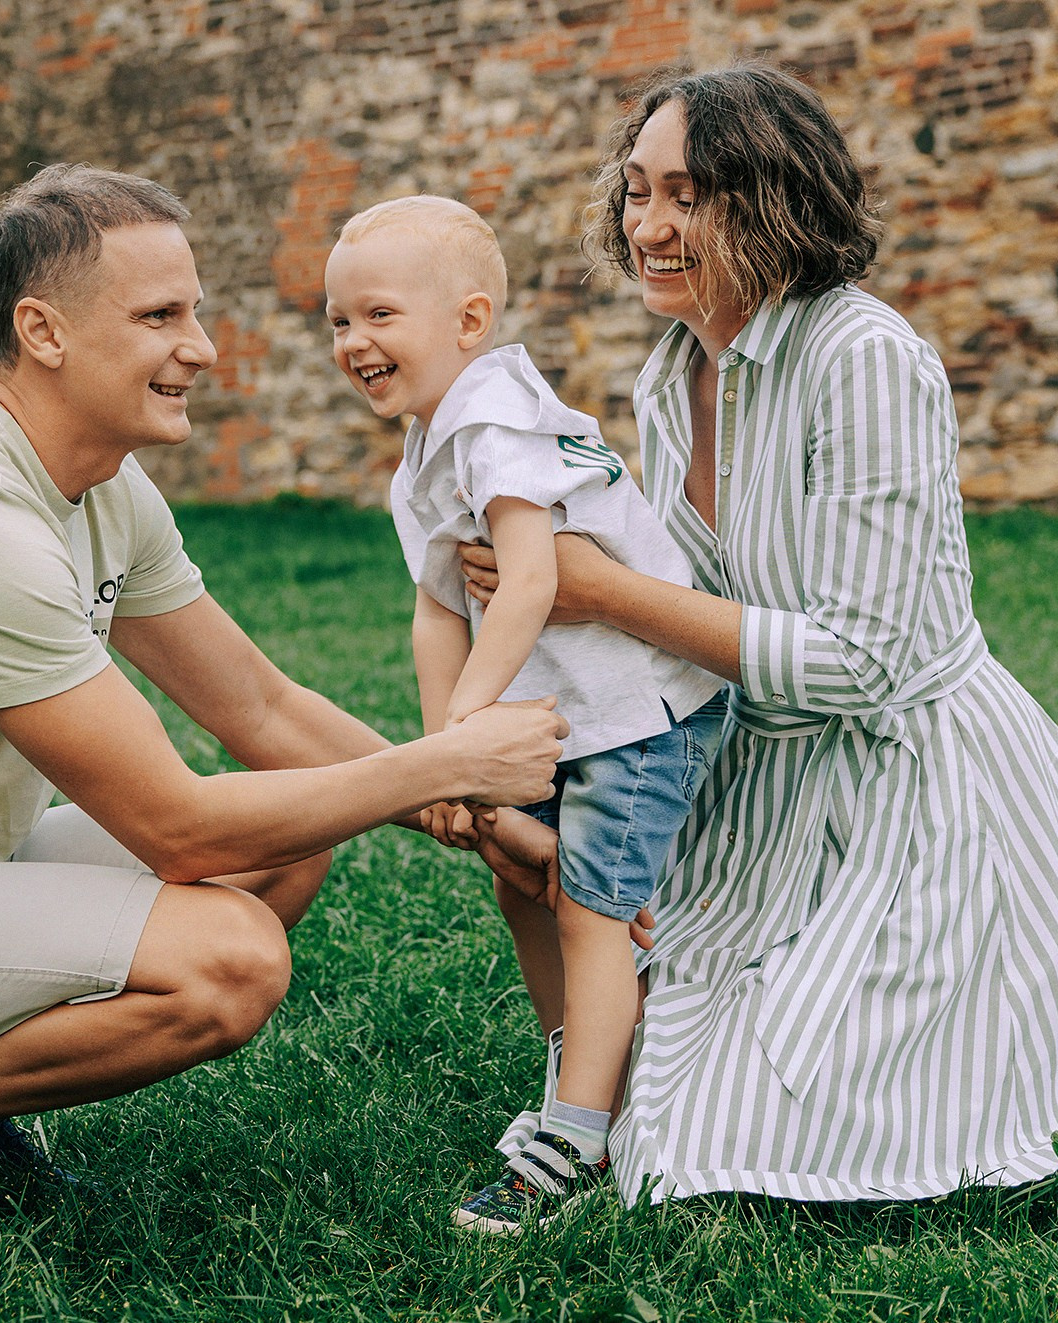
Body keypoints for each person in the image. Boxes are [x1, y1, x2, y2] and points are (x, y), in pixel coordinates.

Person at [0, 164, 571, 1259]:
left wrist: (482, 820)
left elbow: (258, 706)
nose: (201, 349)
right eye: (159, 317)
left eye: (194, 312)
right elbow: (175, 828)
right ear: (42, 331)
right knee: (227, 960)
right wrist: (449, 762)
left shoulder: (100, 485)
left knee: (283, 848)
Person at [461, 62, 1058, 1203]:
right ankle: (591, 1076)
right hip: (749, 778)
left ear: (775, 198)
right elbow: (685, 616)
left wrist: (599, 594)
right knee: (652, 1084)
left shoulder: (862, 358)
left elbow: (863, 661)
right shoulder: (668, 368)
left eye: (688, 195)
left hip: (912, 793)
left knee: (726, 1138)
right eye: (636, 192)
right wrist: (561, 761)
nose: (649, 226)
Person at [322, 196, 724, 1233]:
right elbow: (434, 608)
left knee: (590, 907)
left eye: (375, 315)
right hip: (564, 711)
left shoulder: (495, 412)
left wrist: (466, 725)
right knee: (523, 887)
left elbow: (535, 577)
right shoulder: (428, 447)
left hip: (635, 706)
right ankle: (582, 1082)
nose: (352, 343)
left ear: (467, 322)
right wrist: (443, 755)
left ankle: (579, 1133)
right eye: (335, 323)